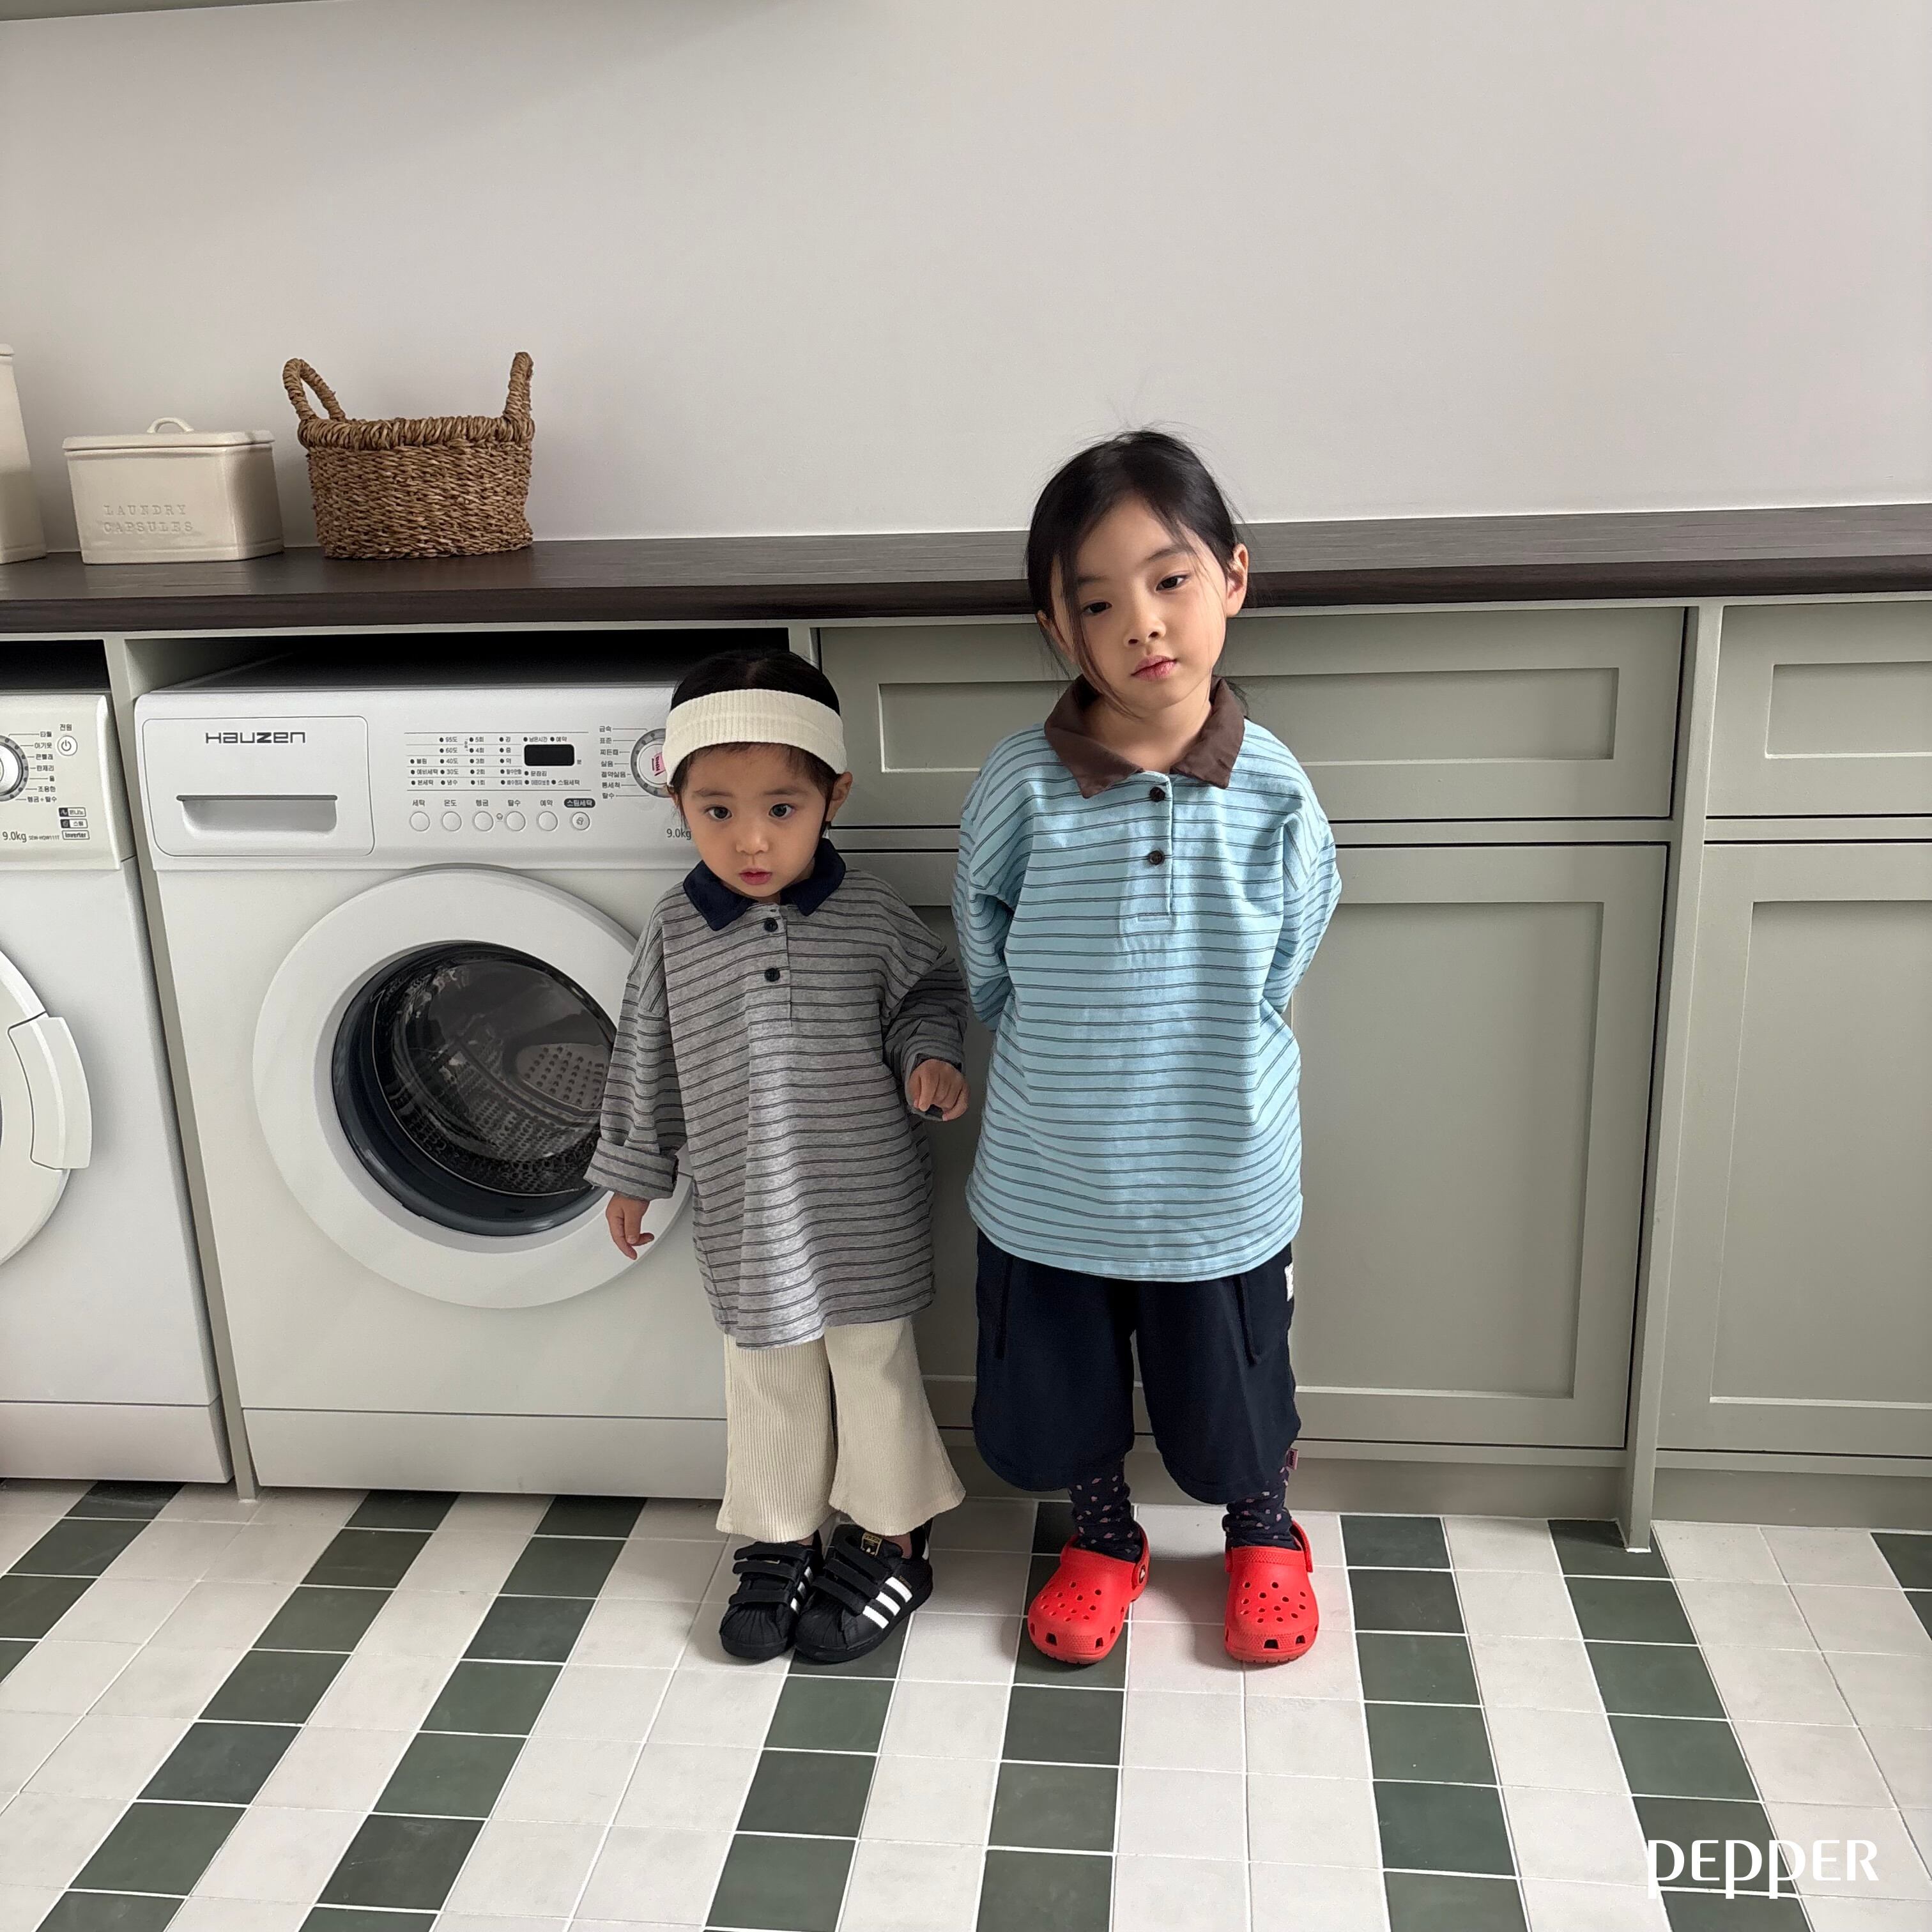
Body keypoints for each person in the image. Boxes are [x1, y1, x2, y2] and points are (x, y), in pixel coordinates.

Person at [953, 430, 1342, 1667]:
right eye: (1098, 603)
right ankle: (1103, 1534)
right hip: (1053, 1171)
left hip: (1218, 1173)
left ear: (1233, 577)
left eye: (1170, 581)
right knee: (1062, 1381)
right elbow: (985, 950)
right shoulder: (1020, 785)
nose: (1144, 625)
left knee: (1237, 1381)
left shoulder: (1275, 789)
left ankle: (1262, 1528)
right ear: (1058, 628)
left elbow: (1291, 950)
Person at [588, 648, 969, 1666]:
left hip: (864, 1200)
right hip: (749, 1204)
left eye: (781, 809)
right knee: (765, 1368)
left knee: (871, 1364)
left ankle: (891, 1534)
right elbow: (644, 1052)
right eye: (715, 810)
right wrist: (632, 1169)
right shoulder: (678, 928)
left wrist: (929, 1057)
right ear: (678, 804)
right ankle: (779, 1531)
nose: (749, 840)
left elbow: (929, 993)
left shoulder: (871, 913)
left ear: (832, 798)